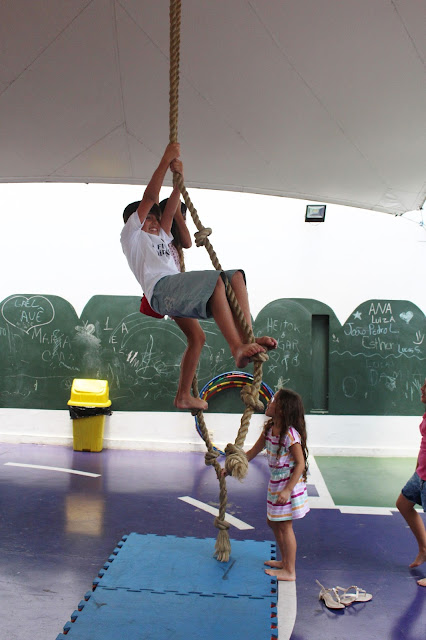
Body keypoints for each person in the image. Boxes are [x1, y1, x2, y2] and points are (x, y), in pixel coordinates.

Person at [120, 143, 277, 412]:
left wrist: (178, 181)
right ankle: (237, 348)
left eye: (156, 219)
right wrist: (164, 160)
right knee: (214, 281)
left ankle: (184, 394)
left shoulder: (162, 235)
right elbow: (150, 198)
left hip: (176, 291)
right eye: (148, 219)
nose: (154, 222)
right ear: (134, 221)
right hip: (161, 291)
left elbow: (169, 208)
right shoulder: (132, 237)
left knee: (234, 279)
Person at [244, 388, 309, 581]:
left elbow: (301, 463)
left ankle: (290, 570)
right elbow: (251, 453)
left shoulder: (290, 435)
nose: (269, 402)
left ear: (282, 409)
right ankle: (285, 561)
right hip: (276, 483)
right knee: (273, 522)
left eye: (273, 401)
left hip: (288, 485)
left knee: (284, 526)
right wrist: (231, 467)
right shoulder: (269, 429)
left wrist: (288, 490)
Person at [396, 377, 426, 587]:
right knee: (403, 504)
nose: (422, 389)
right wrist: (417, 467)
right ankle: (424, 548)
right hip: (421, 473)